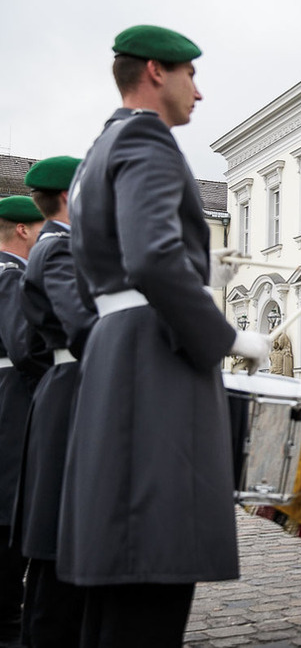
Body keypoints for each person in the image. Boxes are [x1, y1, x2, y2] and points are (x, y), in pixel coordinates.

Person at [60, 25, 271, 645]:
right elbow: (152, 259)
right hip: (152, 357)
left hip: (115, 348)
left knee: (117, 581)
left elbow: (105, 267)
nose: (198, 93)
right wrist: (222, 333)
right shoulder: (148, 139)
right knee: (152, 569)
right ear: (156, 71)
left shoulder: (102, 147)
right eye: (191, 75)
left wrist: (202, 272)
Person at [18, 156, 94, 647]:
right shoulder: (60, 250)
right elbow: (85, 327)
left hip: (67, 390)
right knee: (56, 541)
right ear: (71, 196)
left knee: (65, 537)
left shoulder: (60, 248)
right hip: (71, 396)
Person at [0, 196, 49, 643]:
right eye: (40, 230)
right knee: (10, 530)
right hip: (11, 412)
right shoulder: (12, 277)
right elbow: (24, 349)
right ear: (22, 231)